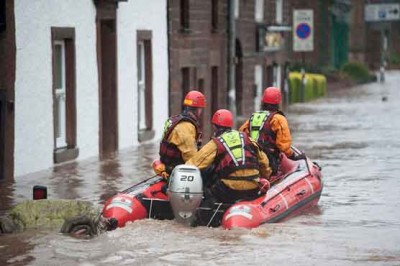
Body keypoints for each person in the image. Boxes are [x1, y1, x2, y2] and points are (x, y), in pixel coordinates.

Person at [186, 109, 271, 204]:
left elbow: (194, 164)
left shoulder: (216, 143)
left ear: (214, 127)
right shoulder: (247, 138)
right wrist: (265, 177)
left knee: (205, 193)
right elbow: (264, 162)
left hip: (229, 190)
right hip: (253, 187)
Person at [239, 87, 304, 175]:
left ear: (263, 102)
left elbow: (241, 134)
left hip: (252, 159)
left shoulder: (254, 117)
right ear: (278, 102)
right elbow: (284, 146)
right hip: (270, 162)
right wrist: (294, 157)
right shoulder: (279, 119)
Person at [153, 90, 206, 179]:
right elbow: (191, 158)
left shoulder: (174, 120)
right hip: (175, 169)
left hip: (167, 164)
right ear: (197, 110)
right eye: (200, 109)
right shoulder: (185, 127)